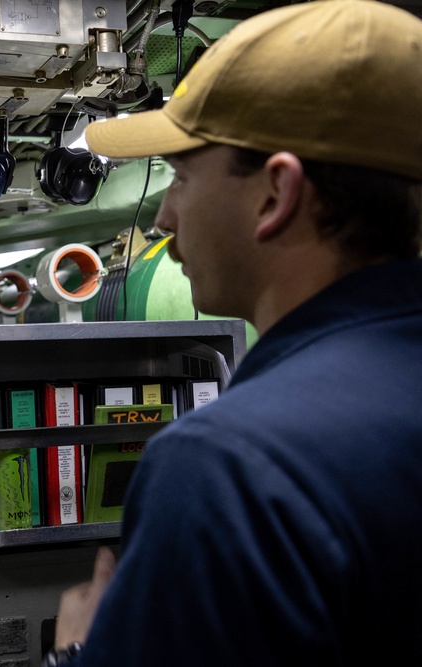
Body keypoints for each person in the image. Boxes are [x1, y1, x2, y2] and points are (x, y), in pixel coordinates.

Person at [50, 1, 422, 665]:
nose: (164, 215)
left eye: (183, 175)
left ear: (275, 194)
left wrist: (79, 650)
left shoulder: (231, 468)